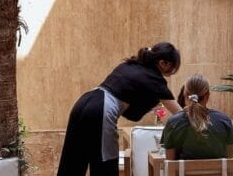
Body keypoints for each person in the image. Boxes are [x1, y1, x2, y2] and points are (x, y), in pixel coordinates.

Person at [57, 42, 182, 176]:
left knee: (72, 162)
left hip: (83, 102)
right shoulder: (156, 80)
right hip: (101, 109)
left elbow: (130, 111)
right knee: (106, 166)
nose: (172, 71)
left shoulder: (131, 64)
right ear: (163, 63)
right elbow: (180, 114)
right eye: (172, 67)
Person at [161, 74, 233, 160]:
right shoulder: (224, 121)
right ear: (207, 95)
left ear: (185, 95)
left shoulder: (173, 122)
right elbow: (229, 161)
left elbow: (170, 164)